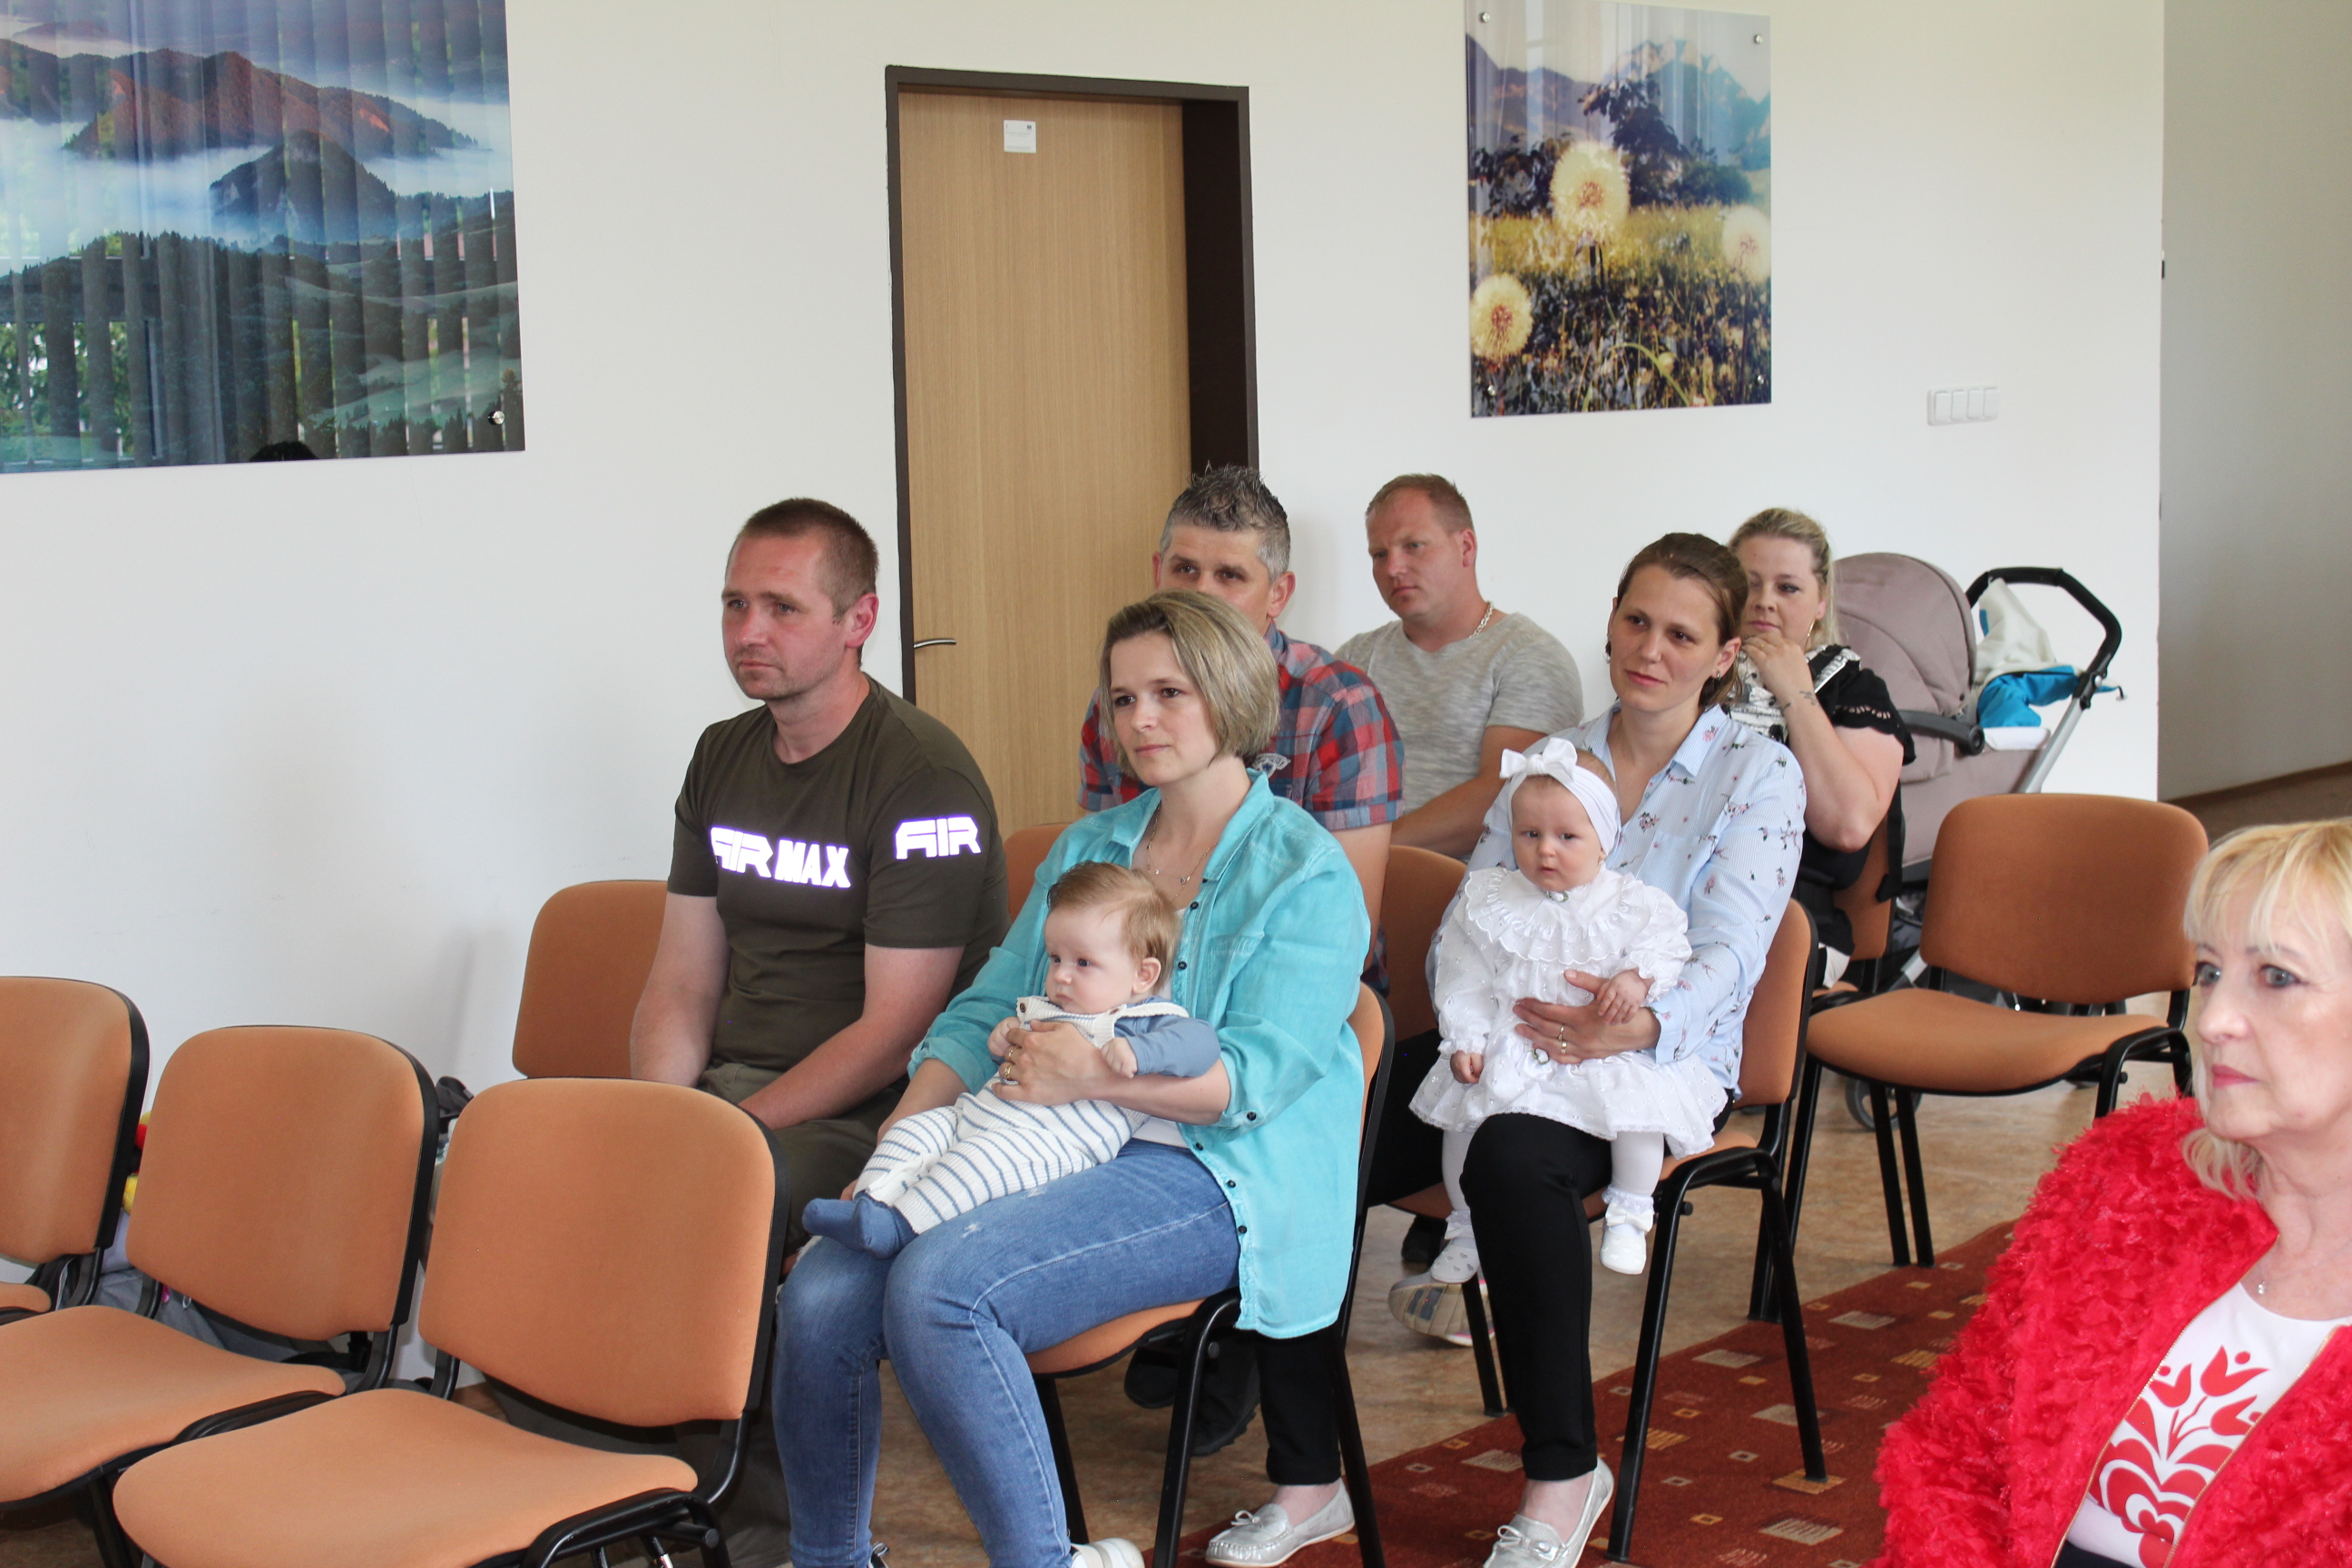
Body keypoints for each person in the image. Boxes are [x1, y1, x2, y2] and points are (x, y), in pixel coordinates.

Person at [776, 590, 1370, 1568]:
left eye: (1169, 693)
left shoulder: (1304, 870)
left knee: (942, 1290)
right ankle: (828, 1561)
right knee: (823, 1291)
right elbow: (979, 1013)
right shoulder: (1092, 846)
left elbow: (1249, 1083)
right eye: (1123, 697)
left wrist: (1091, 1076)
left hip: (1216, 1169)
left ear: (1229, 694)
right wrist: (900, 1150)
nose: (1140, 720)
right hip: (1039, 1142)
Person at [622, 498, 1008, 1568]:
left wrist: (726, 1133)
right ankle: (609, 1490)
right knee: (578, 1173)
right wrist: (660, 1115)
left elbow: (895, 1032)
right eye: (735, 605)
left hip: (889, 1108)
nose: (749, 631)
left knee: (723, 1204)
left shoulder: (921, 778)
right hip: (743, 1085)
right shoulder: (721, 756)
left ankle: (766, 1537)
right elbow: (681, 979)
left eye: (782, 608)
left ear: (858, 621)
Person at [1434, 534, 1803, 1566]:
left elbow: (1734, 950)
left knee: (1511, 1160)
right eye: (1636, 621)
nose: (1649, 649)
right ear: (1609, 620)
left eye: (1681, 635)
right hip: (1518, 1037)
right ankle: (1306, 1473)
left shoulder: (1756, 772)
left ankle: (1564, 1474)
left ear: (1723, 655)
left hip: (1653, 1064)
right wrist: (1470, 1024)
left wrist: (1634, 1026)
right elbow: (1470, 913)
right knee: (1335, 1116)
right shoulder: (1553, 758)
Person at [1873, 819, 2352, 1567]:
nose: (2214, 1021)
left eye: (2277, 977)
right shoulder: (2131, 1177)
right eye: (2209, 971)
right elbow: (1952, 1454)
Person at [800, 861, 1219, 1258]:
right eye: (1056, 959)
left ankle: (897, 1226)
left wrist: (1140, 1052)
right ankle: (870, 1201)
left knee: (972, 1165)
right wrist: (1004, 1035)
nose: (1061, 975)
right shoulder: (1049, 1006)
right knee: (915, 1128)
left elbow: (1202, 1044)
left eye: (1084, 962)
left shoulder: (1139, 1021)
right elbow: (996, 1026)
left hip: (1041, 1147)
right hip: (974, 1116)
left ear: (1143, 975)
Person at [1406, 740, 1698, 1284]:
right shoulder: (1490, 898)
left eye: (1567, 837)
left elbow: (1668, 946)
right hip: (1512, 1041)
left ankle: (1631, 1212)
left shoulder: (1632, 903)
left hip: (1602, 1047)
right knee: (1464, 1123)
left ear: (1604, 840)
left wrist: (1635, 979)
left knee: (1639, 1115)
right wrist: (1466, 1037)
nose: (1546, 851)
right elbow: (1464, 973)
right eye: (1530, 834)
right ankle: (1467, 1229)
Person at [1078, 465, 1401, 927]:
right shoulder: (1118, 702)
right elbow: (1095, 882)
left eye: (1229, 576)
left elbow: (1347, 930)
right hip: (1127, 961)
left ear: (1278, 594)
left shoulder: (1340, 706)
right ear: (1157, 573)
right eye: (1185, 569)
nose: (1201, 594)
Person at [1338, 474, 1583, 859]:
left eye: (1413, 546)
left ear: (1465, 547)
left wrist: (1358, 855)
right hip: (1351, 880)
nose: (1393, 567)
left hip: (1469, 889)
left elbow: (1506, 795)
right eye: (1379, 555)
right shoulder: (1356, 656)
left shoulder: (1531, 656)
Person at [1725, 509, 1912, 981]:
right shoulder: (1695, 672)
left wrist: (1795, 692)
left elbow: (1849, 826)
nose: (1764, 602)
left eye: (1788, 588)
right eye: (1749, 584)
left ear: (1821, 601)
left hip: (1790, 925)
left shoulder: (1855, 689)